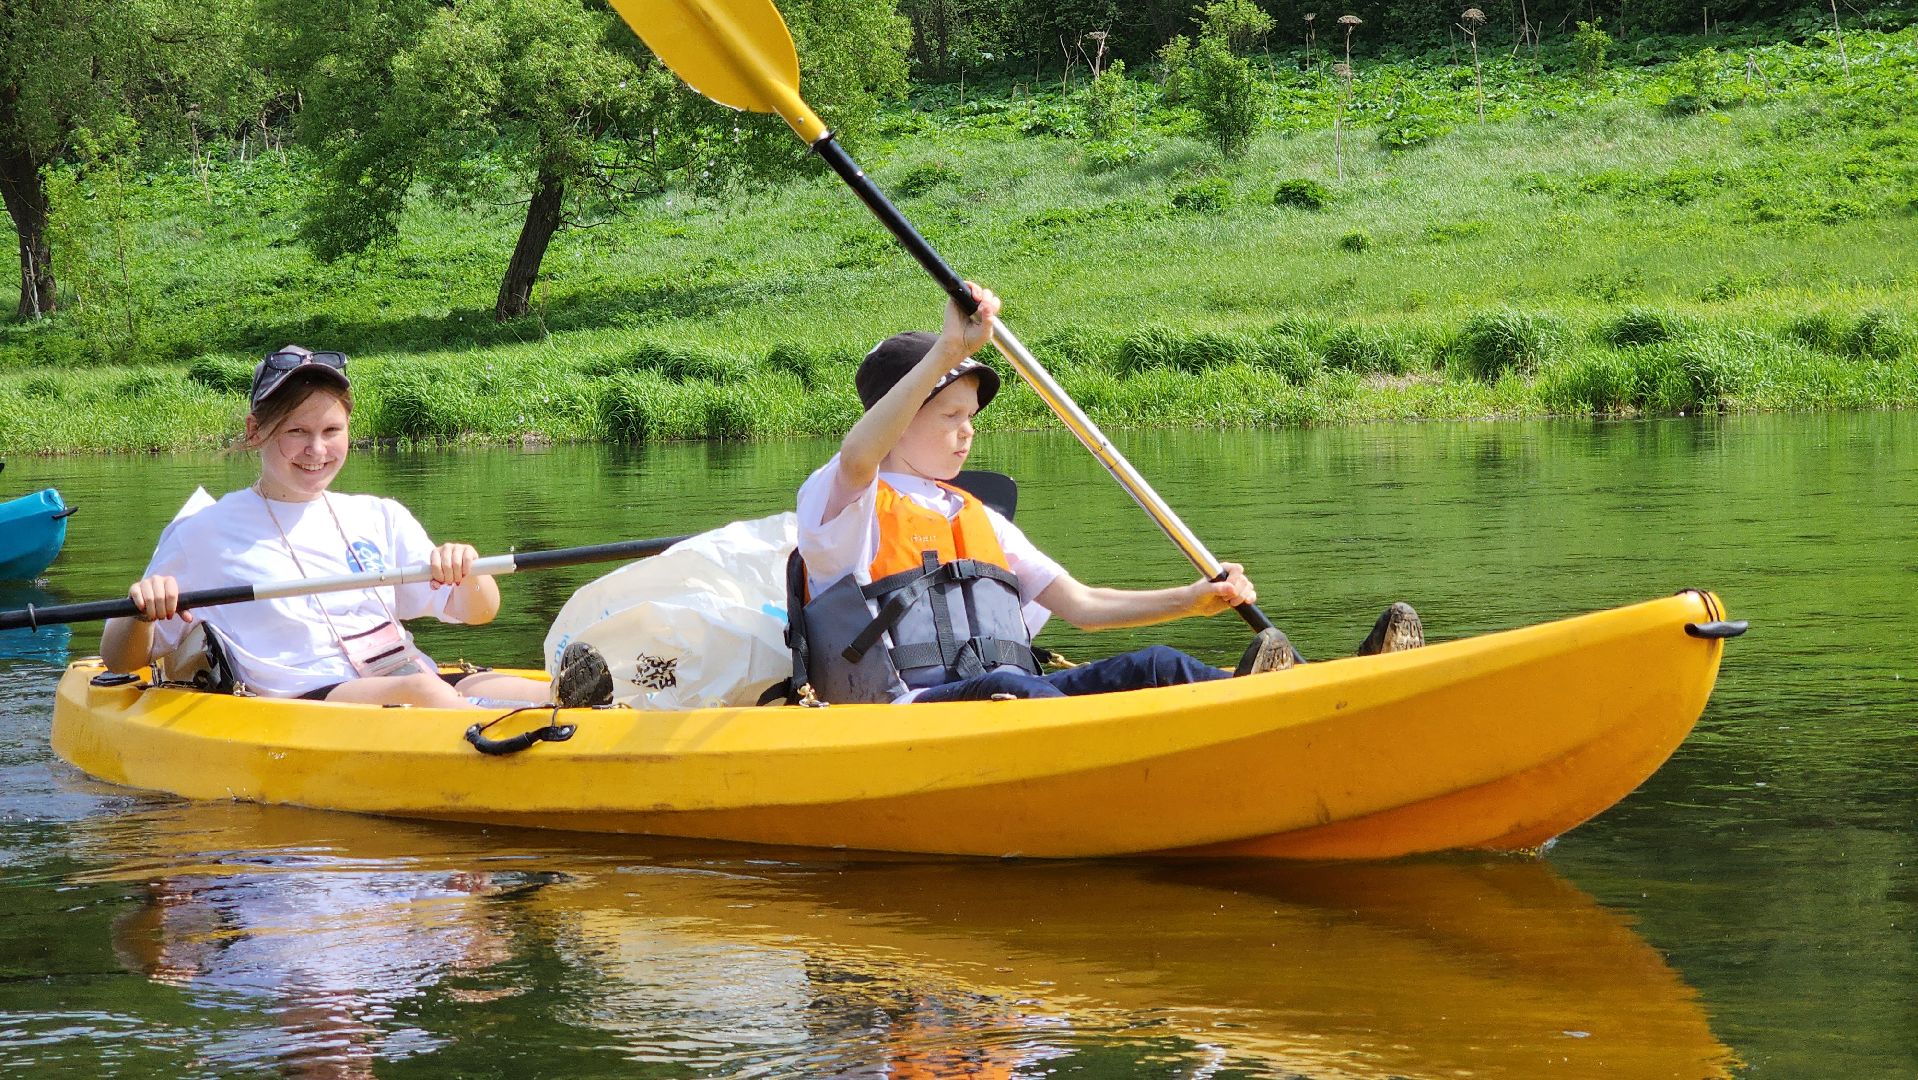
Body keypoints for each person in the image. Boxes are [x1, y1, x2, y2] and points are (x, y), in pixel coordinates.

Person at [788, 285, 1424, 705]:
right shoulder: (843, 504)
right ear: (899, 417)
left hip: (1010, 702)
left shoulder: (976, 517)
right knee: (1015, 683)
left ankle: (1319, 695)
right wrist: (950, 349)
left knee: (1158, 666)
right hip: (914, 712)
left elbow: (1083, 605)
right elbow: (858, 455)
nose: (967, 430)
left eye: (971, 414)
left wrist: (1194, 600)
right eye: (949, 413)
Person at [100, 345, 611, 709]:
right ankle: (528, 752)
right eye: (295, 432)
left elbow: (479, 612)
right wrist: (142, 610)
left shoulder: (379, 515)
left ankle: (589, 725)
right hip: (309, 699)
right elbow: (120, 659)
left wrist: (468, 569)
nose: (316, 451)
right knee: (423, 693)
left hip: (405, 677)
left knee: (548, 687)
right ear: (256, 432)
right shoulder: (202, 532)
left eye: (331, 431)